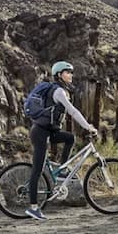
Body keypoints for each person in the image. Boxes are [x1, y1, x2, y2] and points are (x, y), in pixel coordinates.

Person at [25, 61, 98, 220]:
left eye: (71, 72)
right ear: (59, 75)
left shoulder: (61, 90)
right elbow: (72, 111)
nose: (71, 75)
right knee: (37, 170)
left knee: (70, 138)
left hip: (48, 132)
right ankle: (33, 207)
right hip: (40, 133)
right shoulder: (58, 91)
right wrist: (87, 126)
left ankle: (63, 170)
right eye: (67, 72)